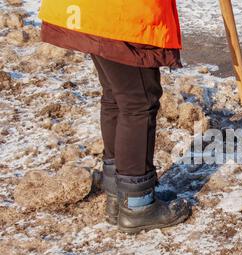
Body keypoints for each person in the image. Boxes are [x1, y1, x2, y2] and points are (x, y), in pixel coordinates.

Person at [38, 0, 190, 234]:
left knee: (116, 95)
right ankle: (137, 204)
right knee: (138, 103)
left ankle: (117, 195)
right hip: (123, 18)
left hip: (97, 14)